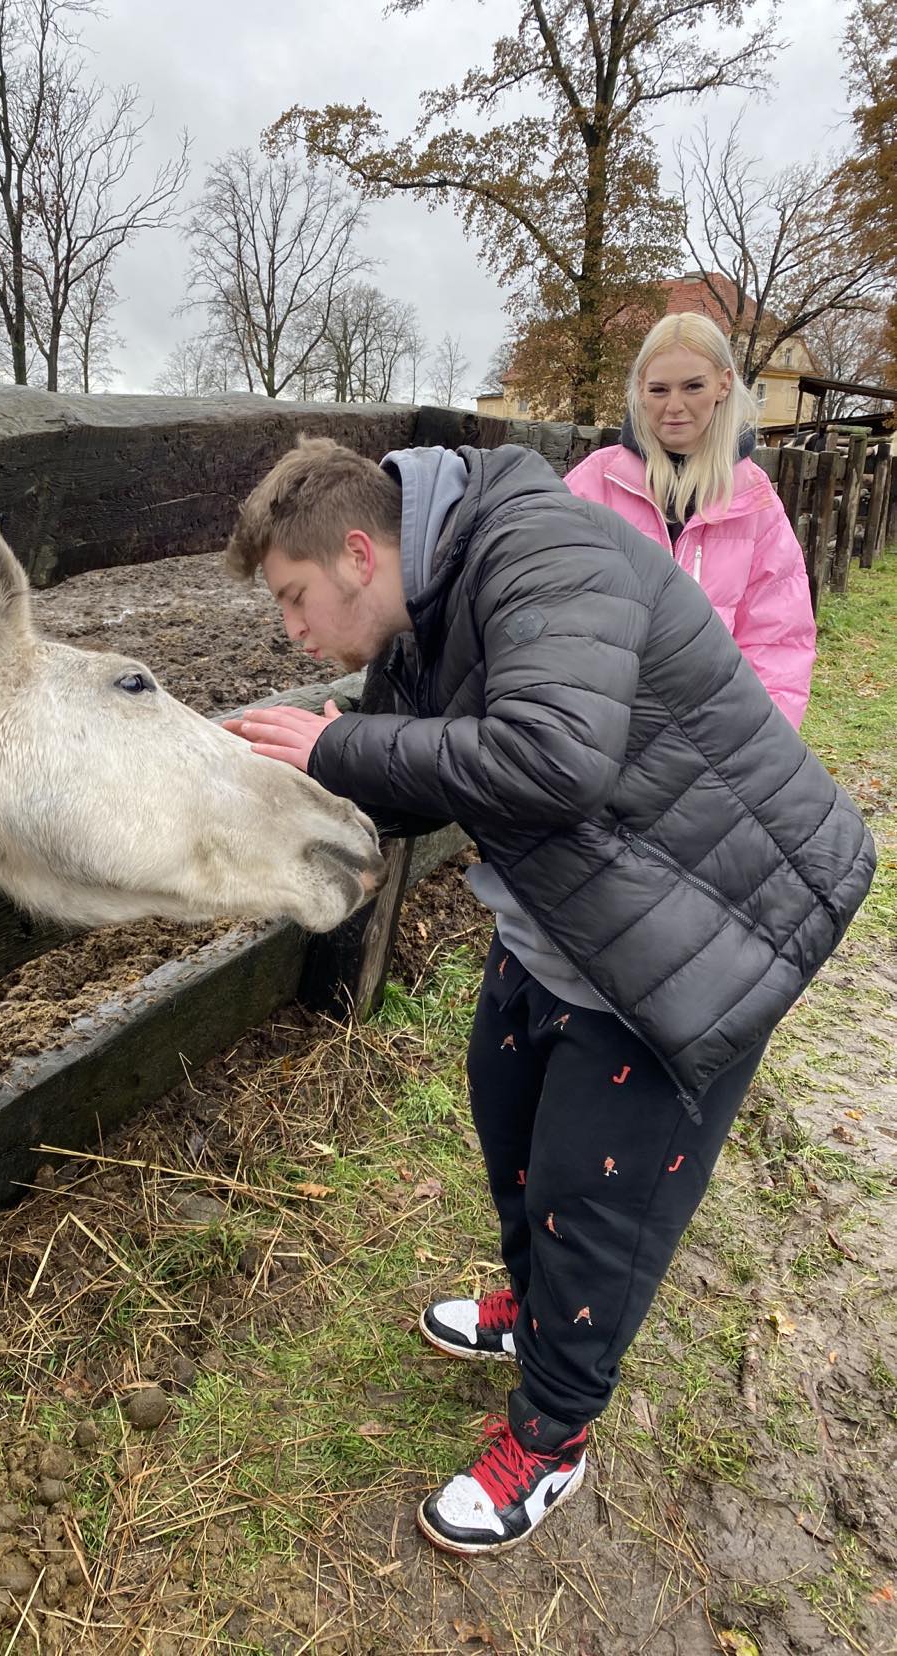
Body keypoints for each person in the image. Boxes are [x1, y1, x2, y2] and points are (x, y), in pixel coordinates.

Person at [221, 434, 873, 1557]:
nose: (293, 630)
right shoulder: (421, 609)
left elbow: (556, 758)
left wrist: (343, 747)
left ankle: (553, 1436)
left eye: (293, 598)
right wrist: (298, 782)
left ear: (359, 554)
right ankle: (537, 1316)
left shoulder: (542, 551)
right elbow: (407, 782)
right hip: (573, 918)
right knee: (510, 1118)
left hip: (701, 929)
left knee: (595, 1193)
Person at [563, 313, 815, 728]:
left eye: (693, 386)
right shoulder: (593, 483)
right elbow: (549, 600)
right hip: (597, 720)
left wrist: (759, 738)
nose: (674, 406)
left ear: (723, 383)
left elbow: (778, 639)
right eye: (659, 389)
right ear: (640, 390)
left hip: (707, 731)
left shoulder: (755, 502)